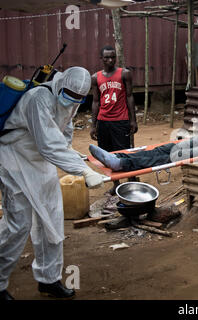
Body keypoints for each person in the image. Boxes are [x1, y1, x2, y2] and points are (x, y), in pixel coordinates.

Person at [0, 67, 106, 300]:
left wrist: (69, 151)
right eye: (70, 94)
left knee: (52, 219)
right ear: (61, 84)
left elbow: (64, 130)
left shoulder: (72, 97)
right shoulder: (37, 99)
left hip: (41, 162)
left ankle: (49, 279)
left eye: (79, 98)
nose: (73, 100)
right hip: (14, 159)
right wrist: (83, 170)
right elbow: (48, 144)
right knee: (18, 225)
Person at [90, 45, 138, 194]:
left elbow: (130, 97)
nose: (110, 60)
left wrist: (133, 120)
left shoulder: (124, 74)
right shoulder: (95, 77)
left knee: (125, 152)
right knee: (107, 154)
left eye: (113, 57)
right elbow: (96, 101)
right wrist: (93, 124)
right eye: (107, 57)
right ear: (101, 59)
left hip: (121, 120)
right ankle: (116, 183)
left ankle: (132, 180)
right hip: (103, 121)